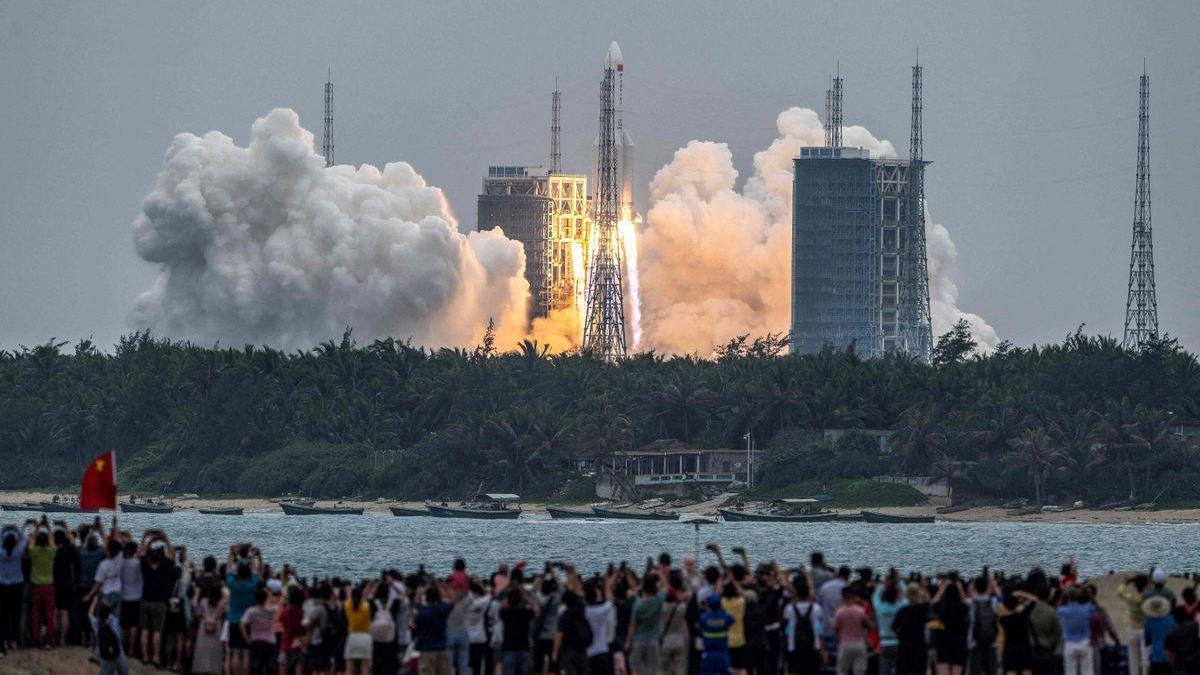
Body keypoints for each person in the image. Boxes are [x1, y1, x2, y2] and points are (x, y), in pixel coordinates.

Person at [139, 533, 177, 667]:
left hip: (145, 600)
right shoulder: (165, 566)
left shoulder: (144, 565)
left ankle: (144, 656)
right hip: (160, 602)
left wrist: (146, 538)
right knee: (157, 632)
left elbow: (141, 552)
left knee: (144, 630)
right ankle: (155, 657)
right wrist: (165, 538)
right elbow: (172, 554)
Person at [226, 544, 263, 675]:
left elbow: (228, 571)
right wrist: (255, 557)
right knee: (246, 653)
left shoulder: (233, 584)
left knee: (235, 652)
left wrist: (231, 554)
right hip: (248, 621)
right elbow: (256, 572)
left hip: (234, 619)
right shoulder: (252, 584)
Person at [783, 573, 824, 675]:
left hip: (794, 645)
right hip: (813, 645)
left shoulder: (789, 609)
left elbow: (787, 629)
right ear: (808, 594)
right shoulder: (816, 608)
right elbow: (819, 630)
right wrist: (822, 649)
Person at [27, 516, 58, 648]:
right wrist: (48, 526)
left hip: (36, 586)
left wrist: (38, 526)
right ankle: (49, 642)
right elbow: (52, 540)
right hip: (48, 586)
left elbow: (32, 539)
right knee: (50, 615)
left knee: (36, 615)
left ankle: (35, 641)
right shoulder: (51, 552)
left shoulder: (33, 551)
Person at [627, 573, 664, 675]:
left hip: (639, 639)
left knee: (636, 669)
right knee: (651, 670)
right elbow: (664, 587)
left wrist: (628, 642)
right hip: (653, 639)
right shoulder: (659, 600)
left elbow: (632, 625)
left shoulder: (638, 604)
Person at [414, 582, 454, 675]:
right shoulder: (442, 610)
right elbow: (452, 600)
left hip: (427, 649)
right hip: (442, 648)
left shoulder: (422, 613)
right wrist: (440, 587)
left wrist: (420, 592)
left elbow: (416, 604)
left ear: (426, 598)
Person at [0, 524, 28, 654]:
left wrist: (3, 531)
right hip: (17, 587)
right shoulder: (18, 552)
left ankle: (4, 640)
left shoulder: (1, 552)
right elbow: (25, 540)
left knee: (4, 616)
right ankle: (15, 641)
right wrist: (18, 529)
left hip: (3, 587)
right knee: (16, 615)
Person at [501, 582, 539, 675]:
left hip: (508, 647)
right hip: (523, 647)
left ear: (509, 601)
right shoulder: (525, 612)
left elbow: (502, 604)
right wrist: (525, 596)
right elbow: (537, 610)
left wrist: (508, 592)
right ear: (521, 600)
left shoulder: (505, 612)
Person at [998, 588, 1038, 675]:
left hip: (1010, 649)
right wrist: (1021, 593)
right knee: (1026, 671)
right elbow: (1035, 600)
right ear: (1017, 604)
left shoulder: (1003, 620)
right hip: (1024, 648)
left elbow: (1001, 604)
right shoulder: (1022, 616)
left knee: (1011, 671)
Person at [50, 526, 79, 646]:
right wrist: (67, 529)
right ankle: (62, 638)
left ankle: (54, 637)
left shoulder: (52, 552)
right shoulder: (69, 551)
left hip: (54, 583)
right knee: (65, 612)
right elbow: (72, 544)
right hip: (67, 583)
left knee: (55, 612)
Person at [873, 575, 908, 675]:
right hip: (898, 642)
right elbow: (906, 598)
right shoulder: (900, 608)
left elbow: (875, 596)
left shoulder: (879, 608)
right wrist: (900, 582)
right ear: (896, 596)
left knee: (884, 671)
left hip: (884, 643)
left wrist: (883, 583)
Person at [834, 586, 872, 675]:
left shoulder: (839, 612)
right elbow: (870, 625)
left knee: (842, 671)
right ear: (854, 597)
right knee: (859, 671)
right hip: (859, 644)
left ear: (843, 597)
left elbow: (836, 628)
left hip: (845, 644)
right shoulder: (860, 611)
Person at [1056, 586, 1095, 675]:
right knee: (1087, 671)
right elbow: (1094, 606)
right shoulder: (1086, 608)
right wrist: (1088, 594)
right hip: (1085, 642)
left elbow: (1057, 608)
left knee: (1070, 672)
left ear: (1068, 597)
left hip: (1070, 643)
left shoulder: (1063, 610)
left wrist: (1062, 595)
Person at [893, 583, 930, 675]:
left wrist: (901, 634)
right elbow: (928, 600)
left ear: (907, 595)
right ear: (918, 594)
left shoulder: (902, 611)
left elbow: (894, 627)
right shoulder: (923, 609)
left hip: (904, 645)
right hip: (919, 645)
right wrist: (923, 588)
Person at [660, 571, 691, 675]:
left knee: (664, 670)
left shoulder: (662, 607)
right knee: (680, 670)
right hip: (679, 640)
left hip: (665, 640)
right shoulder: (682, 607)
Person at [241, 587, 277, 675]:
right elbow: (276, 604)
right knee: (270, 668)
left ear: (255, 598)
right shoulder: (272, 610)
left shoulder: (251, 611)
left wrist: (246, 638)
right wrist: (269, 595)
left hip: (256, 642)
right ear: (266, 598)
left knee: (256, 668)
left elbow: (242, 624)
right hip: (270, 642)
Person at [968, 575, 1000, 675]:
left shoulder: (972, 602)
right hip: (991, 640)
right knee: (991, 669)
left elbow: (970, 592)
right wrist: (993, 582)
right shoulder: (993, 602)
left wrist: (974, 581)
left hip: (975, 640)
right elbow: (1001, 597)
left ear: (975, 587)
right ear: (987, 587)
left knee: (975, 670)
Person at [1119, 574, 1150, 675]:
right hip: (1144, 629)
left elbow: (1120, 592)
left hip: (1132, 629)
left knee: (1133, 658)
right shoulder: (1147, 598)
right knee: (1145, 658)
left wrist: (1126, 583)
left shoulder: (1131, 597)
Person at [192, 583, 226, 675]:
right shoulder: (222, 603)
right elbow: (223, 615)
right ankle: (213, 670)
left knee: (202, 650)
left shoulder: (203, 601)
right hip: (216, 627)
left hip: (203, 626)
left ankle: (202, 669)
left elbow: (198, 613)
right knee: (215, 651)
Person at [697, 594, 735, 675]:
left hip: (708, 653)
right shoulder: (725, 618)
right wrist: (723, 610)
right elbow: (732, 620)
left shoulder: (704, 618)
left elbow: (699, 625)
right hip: (722, 652)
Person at [118, 539, 144, 655]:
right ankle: (131, 649)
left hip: (123, 596)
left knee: (123, 625)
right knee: (133, 625)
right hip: (136, 597)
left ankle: (123, 647)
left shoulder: (121, 563)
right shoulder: (138, 563)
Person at [1142, 595, 1176, 675]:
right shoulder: (1172, 619)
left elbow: (1147, 640)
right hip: (1171, 656)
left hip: (1156, 656)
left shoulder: (1148, 621)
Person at [343, 585, 373, 675]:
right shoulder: (366, 607)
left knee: (349, 667)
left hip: (352, 637)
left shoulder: (348, 606)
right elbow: (364, 598)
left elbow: (349, 599)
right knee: (365, 667)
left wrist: (348, 589)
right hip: (365, 638)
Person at [96, 599, 131, 675]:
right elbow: (116, 609)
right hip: (118, 650)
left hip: (105, 654)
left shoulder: (96, 624)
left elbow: (89, 614)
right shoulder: (114, 620)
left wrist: (95, 601)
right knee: (124, 671)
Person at [279, 585, 307, 675]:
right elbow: (304, 627)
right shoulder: (302, 612)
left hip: (286, 642)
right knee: (298, 667)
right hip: (299, 642)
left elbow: (282, 621)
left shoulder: (286, 611)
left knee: (283, 667)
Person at [1164, 606, 1200, 675]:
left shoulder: (1171, 633)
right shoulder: (1195, 626)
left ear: (1174, 618)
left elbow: (1168, 655)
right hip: (1196, 665)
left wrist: (1174, 665)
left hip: (1180, 667)